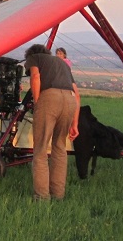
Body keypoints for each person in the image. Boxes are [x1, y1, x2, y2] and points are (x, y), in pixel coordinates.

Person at [24, 43, 81, 200]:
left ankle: (42, 197)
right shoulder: (63, 63)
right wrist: (75, 123)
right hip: (69, 102)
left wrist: (37, 103)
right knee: (59, 148)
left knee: (41, 149)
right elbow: (77, 94)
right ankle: (58, 194)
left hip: (50, 99)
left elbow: (35, 77)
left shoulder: (33, 58)